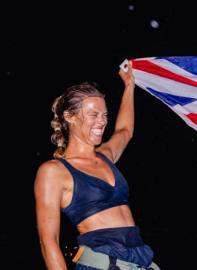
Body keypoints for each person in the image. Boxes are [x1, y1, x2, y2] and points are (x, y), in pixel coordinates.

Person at [34, 61, 160, 270]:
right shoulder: (54, 172)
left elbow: (125, 131)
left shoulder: (105, 156)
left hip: (140, 259)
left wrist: (129, 85)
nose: (102, 122)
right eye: (94, 115)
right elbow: (48, 242)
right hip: (102, 263)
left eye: (104, 115)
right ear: (69, 117)